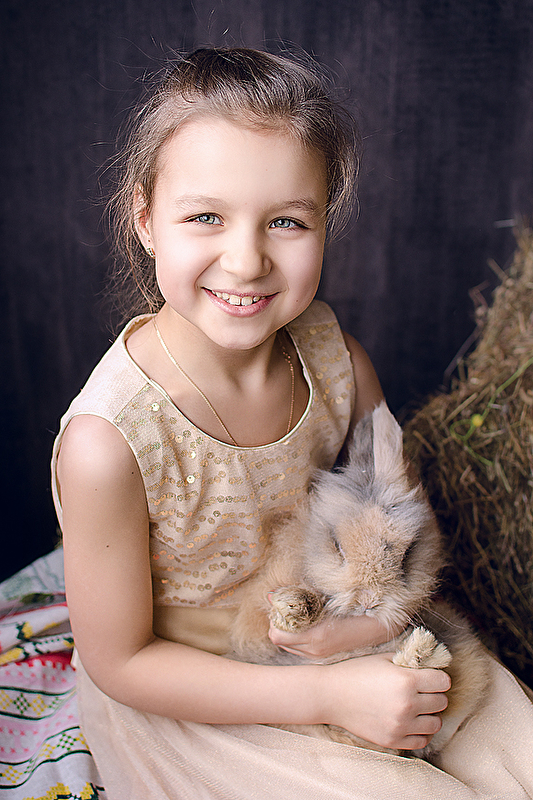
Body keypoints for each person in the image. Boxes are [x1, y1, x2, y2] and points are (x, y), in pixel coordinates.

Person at [52, 47, 533, 800]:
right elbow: (122, 662)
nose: (246, 262)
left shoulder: (338, 364)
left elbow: (405, 529)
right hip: (198, 694)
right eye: (205, 216)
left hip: (339, 635)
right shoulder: (106, 443)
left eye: (285, 221)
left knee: (518, 747)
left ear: (324, 221)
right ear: (144, 218)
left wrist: (366, 633)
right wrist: (325, 695)